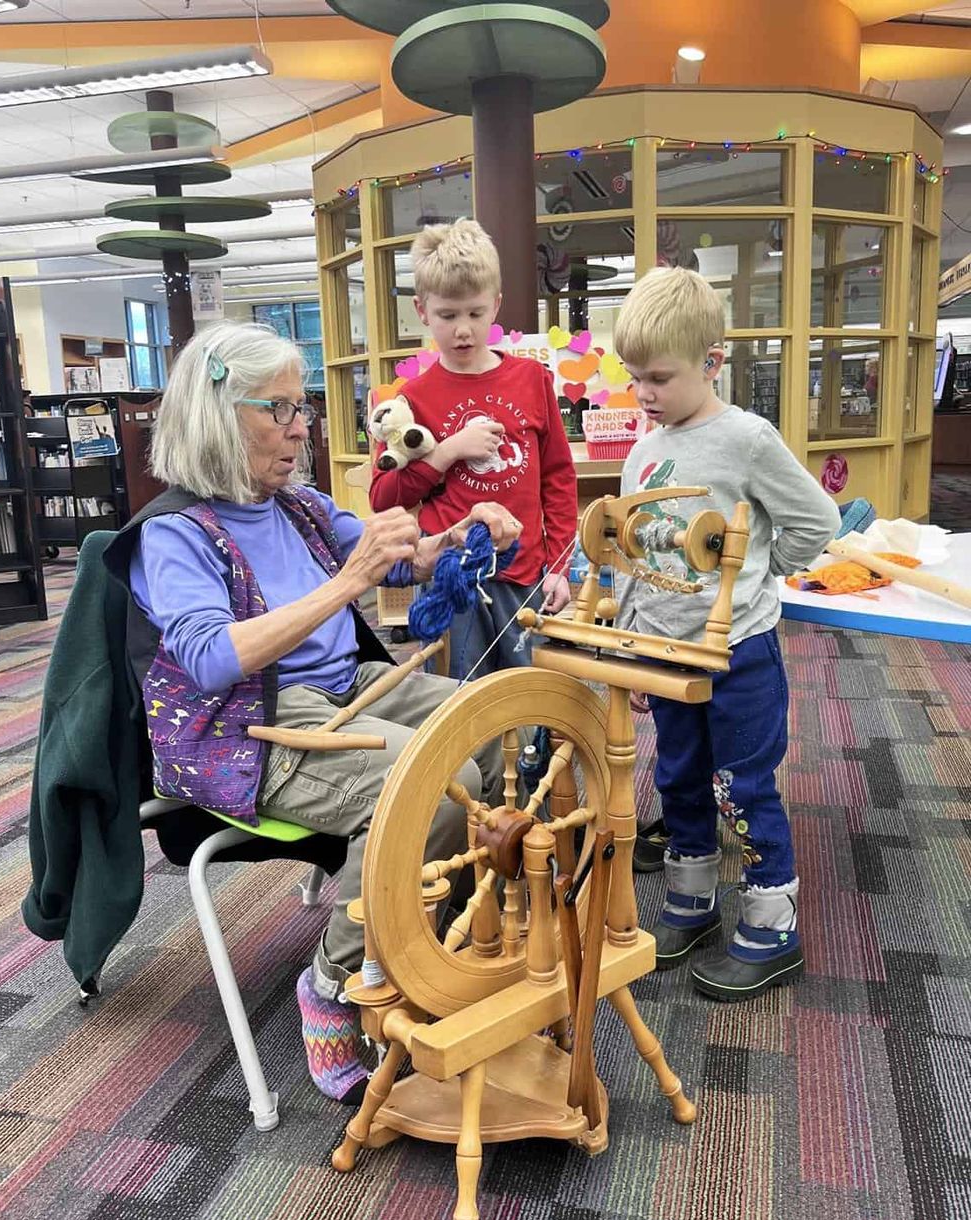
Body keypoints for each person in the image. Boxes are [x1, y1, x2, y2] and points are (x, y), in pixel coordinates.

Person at [104, 321, 520, 1102]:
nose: (302, 427)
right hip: (246, 724)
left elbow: (401, 553)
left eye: (304, 409)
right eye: (282, 409)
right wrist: (346, 582)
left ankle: (432, 932)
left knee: (491, 719)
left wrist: (461, 532)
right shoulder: (173, 534)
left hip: (343, 684)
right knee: (434, 784)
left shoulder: (298, 506)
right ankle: (331, 982)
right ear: (219, 416)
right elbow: (211, 657)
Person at [613, 266, 840, 1001]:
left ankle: (773, 925)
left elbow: (817, 521)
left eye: (658, 377)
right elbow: (630, 551)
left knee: (741, 784)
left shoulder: (747, 439)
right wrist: (632, 641)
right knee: (677, 778)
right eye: (634, 377)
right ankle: (691, 900)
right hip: (670, 652)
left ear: (712, 362)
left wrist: (762, 575)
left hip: (741, 652)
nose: (644, 394)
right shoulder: (641, 454)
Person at [369, 218, 578, 678]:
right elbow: (383, 497)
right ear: (422, 311)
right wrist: (446, 452)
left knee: (533, 698)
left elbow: (558, 479)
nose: (463, 329)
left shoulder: (532, 380)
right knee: (456, 702)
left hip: (526, 573)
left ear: (496, 305)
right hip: (451, 575)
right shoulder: (411, 399)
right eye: (448, 316)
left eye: (475, 313)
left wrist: (559, 566)